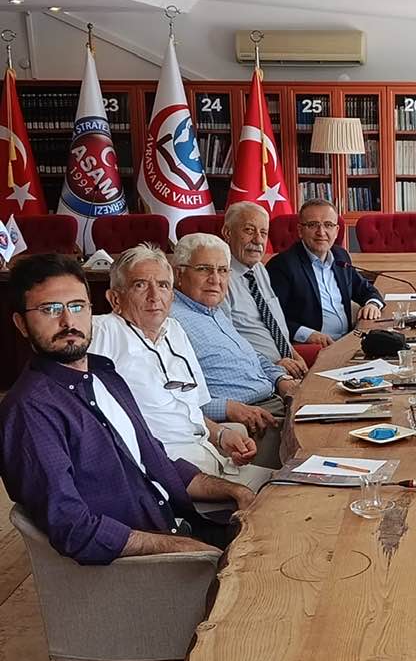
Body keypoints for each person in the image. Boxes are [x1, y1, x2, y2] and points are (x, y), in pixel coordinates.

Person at [0, 254, 255, 564]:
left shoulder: (105, 374)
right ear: (21, 324)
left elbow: (158, 464)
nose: (68, 322)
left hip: (184, 527)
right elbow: (73, 528)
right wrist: (184, 549)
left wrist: (236, 492)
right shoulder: (30, 411)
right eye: (50, 309)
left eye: (77, 306)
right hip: (151, 565)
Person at [89, 244, 273, 493]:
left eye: (163, 285)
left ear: (172, 295)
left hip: (213, 460)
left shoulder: (174, 330)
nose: (155, 296)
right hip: (170, 481)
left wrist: (220, 435)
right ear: (115, 299)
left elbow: (192, 409)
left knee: (302, 487)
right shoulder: (101, 333)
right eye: (140, 285)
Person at [171, 233, 299, 470]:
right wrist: (228, 408)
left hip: (276, 400)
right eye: (204, 269)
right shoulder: (171, 321)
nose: (215, 279)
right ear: (179, 274)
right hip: (255, 422)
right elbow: (172, 399)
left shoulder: (213, 310)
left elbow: (251, 355)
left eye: (222, 270)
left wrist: (279, 378)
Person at [266, 199, 383, 349]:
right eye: (312, 225)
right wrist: (308, 334)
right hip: (310, 347)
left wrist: (372, 304)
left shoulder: (340, 256)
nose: (321, 232)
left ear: (337, 231)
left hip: (348, 340)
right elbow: (272, 317)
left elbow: (365, 290)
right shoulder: (282, 266)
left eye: (328, 225)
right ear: (300, 230)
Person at [221, 201, 309, 378]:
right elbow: (226, 344)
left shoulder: (259, 269)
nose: (258, 240)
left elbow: (276, 326)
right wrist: (272, 365)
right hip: (257, 373)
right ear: (227, 233)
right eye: (249, 230)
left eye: (263, 233)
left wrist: (295, 355)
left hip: (288, 365)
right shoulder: (218, 279)